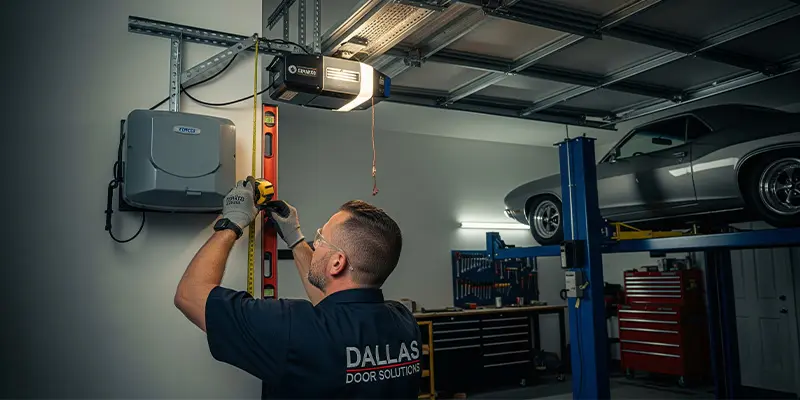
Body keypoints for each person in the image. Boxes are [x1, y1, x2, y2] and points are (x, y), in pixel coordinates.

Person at [173, 177, 421, 399]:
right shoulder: (404, 323)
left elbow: (190, 294)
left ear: (337, 263)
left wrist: (231, 223)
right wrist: (295, 238)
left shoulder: (292, 328)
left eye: (320, 238)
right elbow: (332, 309)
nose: (316, 244)